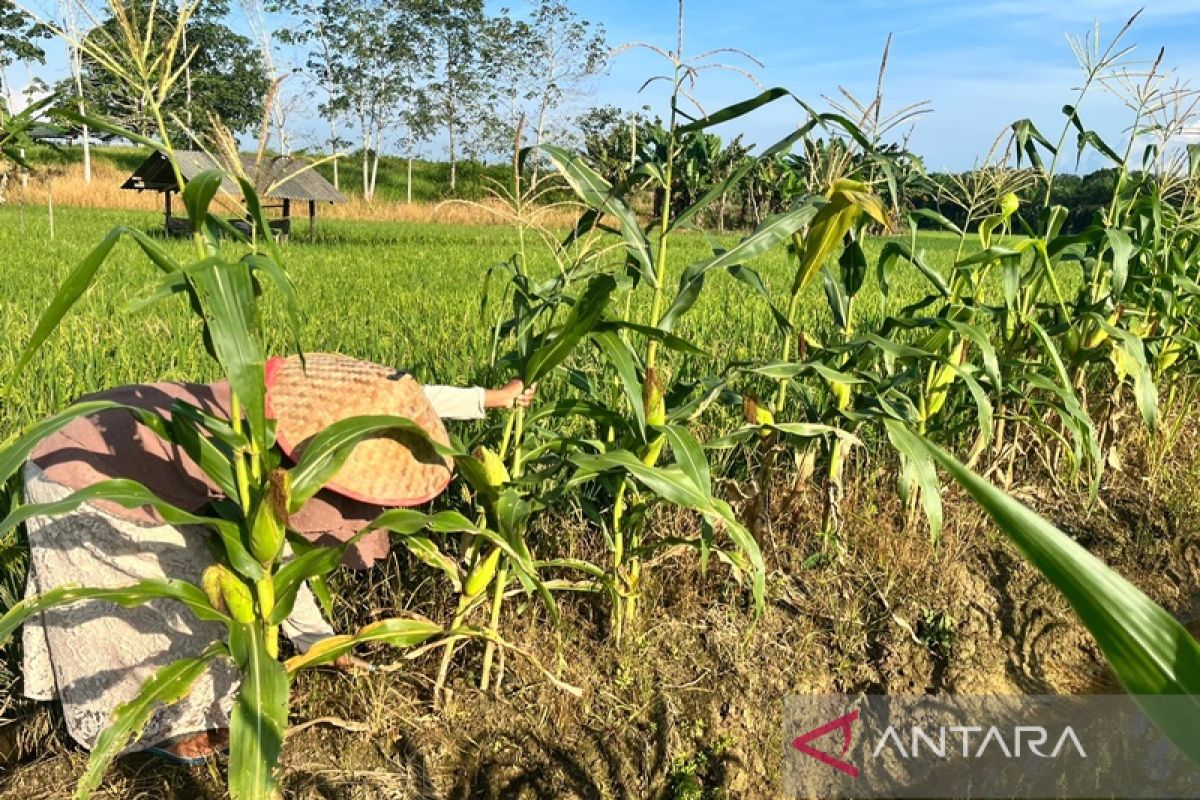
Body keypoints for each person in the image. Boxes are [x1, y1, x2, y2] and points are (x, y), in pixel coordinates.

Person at [19, 354, 535, 763]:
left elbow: (409, 401)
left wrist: (489, 399)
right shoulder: (264, 463)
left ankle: (188, 710)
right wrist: (318, 642)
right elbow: (277, 563)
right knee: (154, 608)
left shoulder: (321, 401)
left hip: (115, 444)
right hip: (82, 472)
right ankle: (152, 729)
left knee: (206, 592)